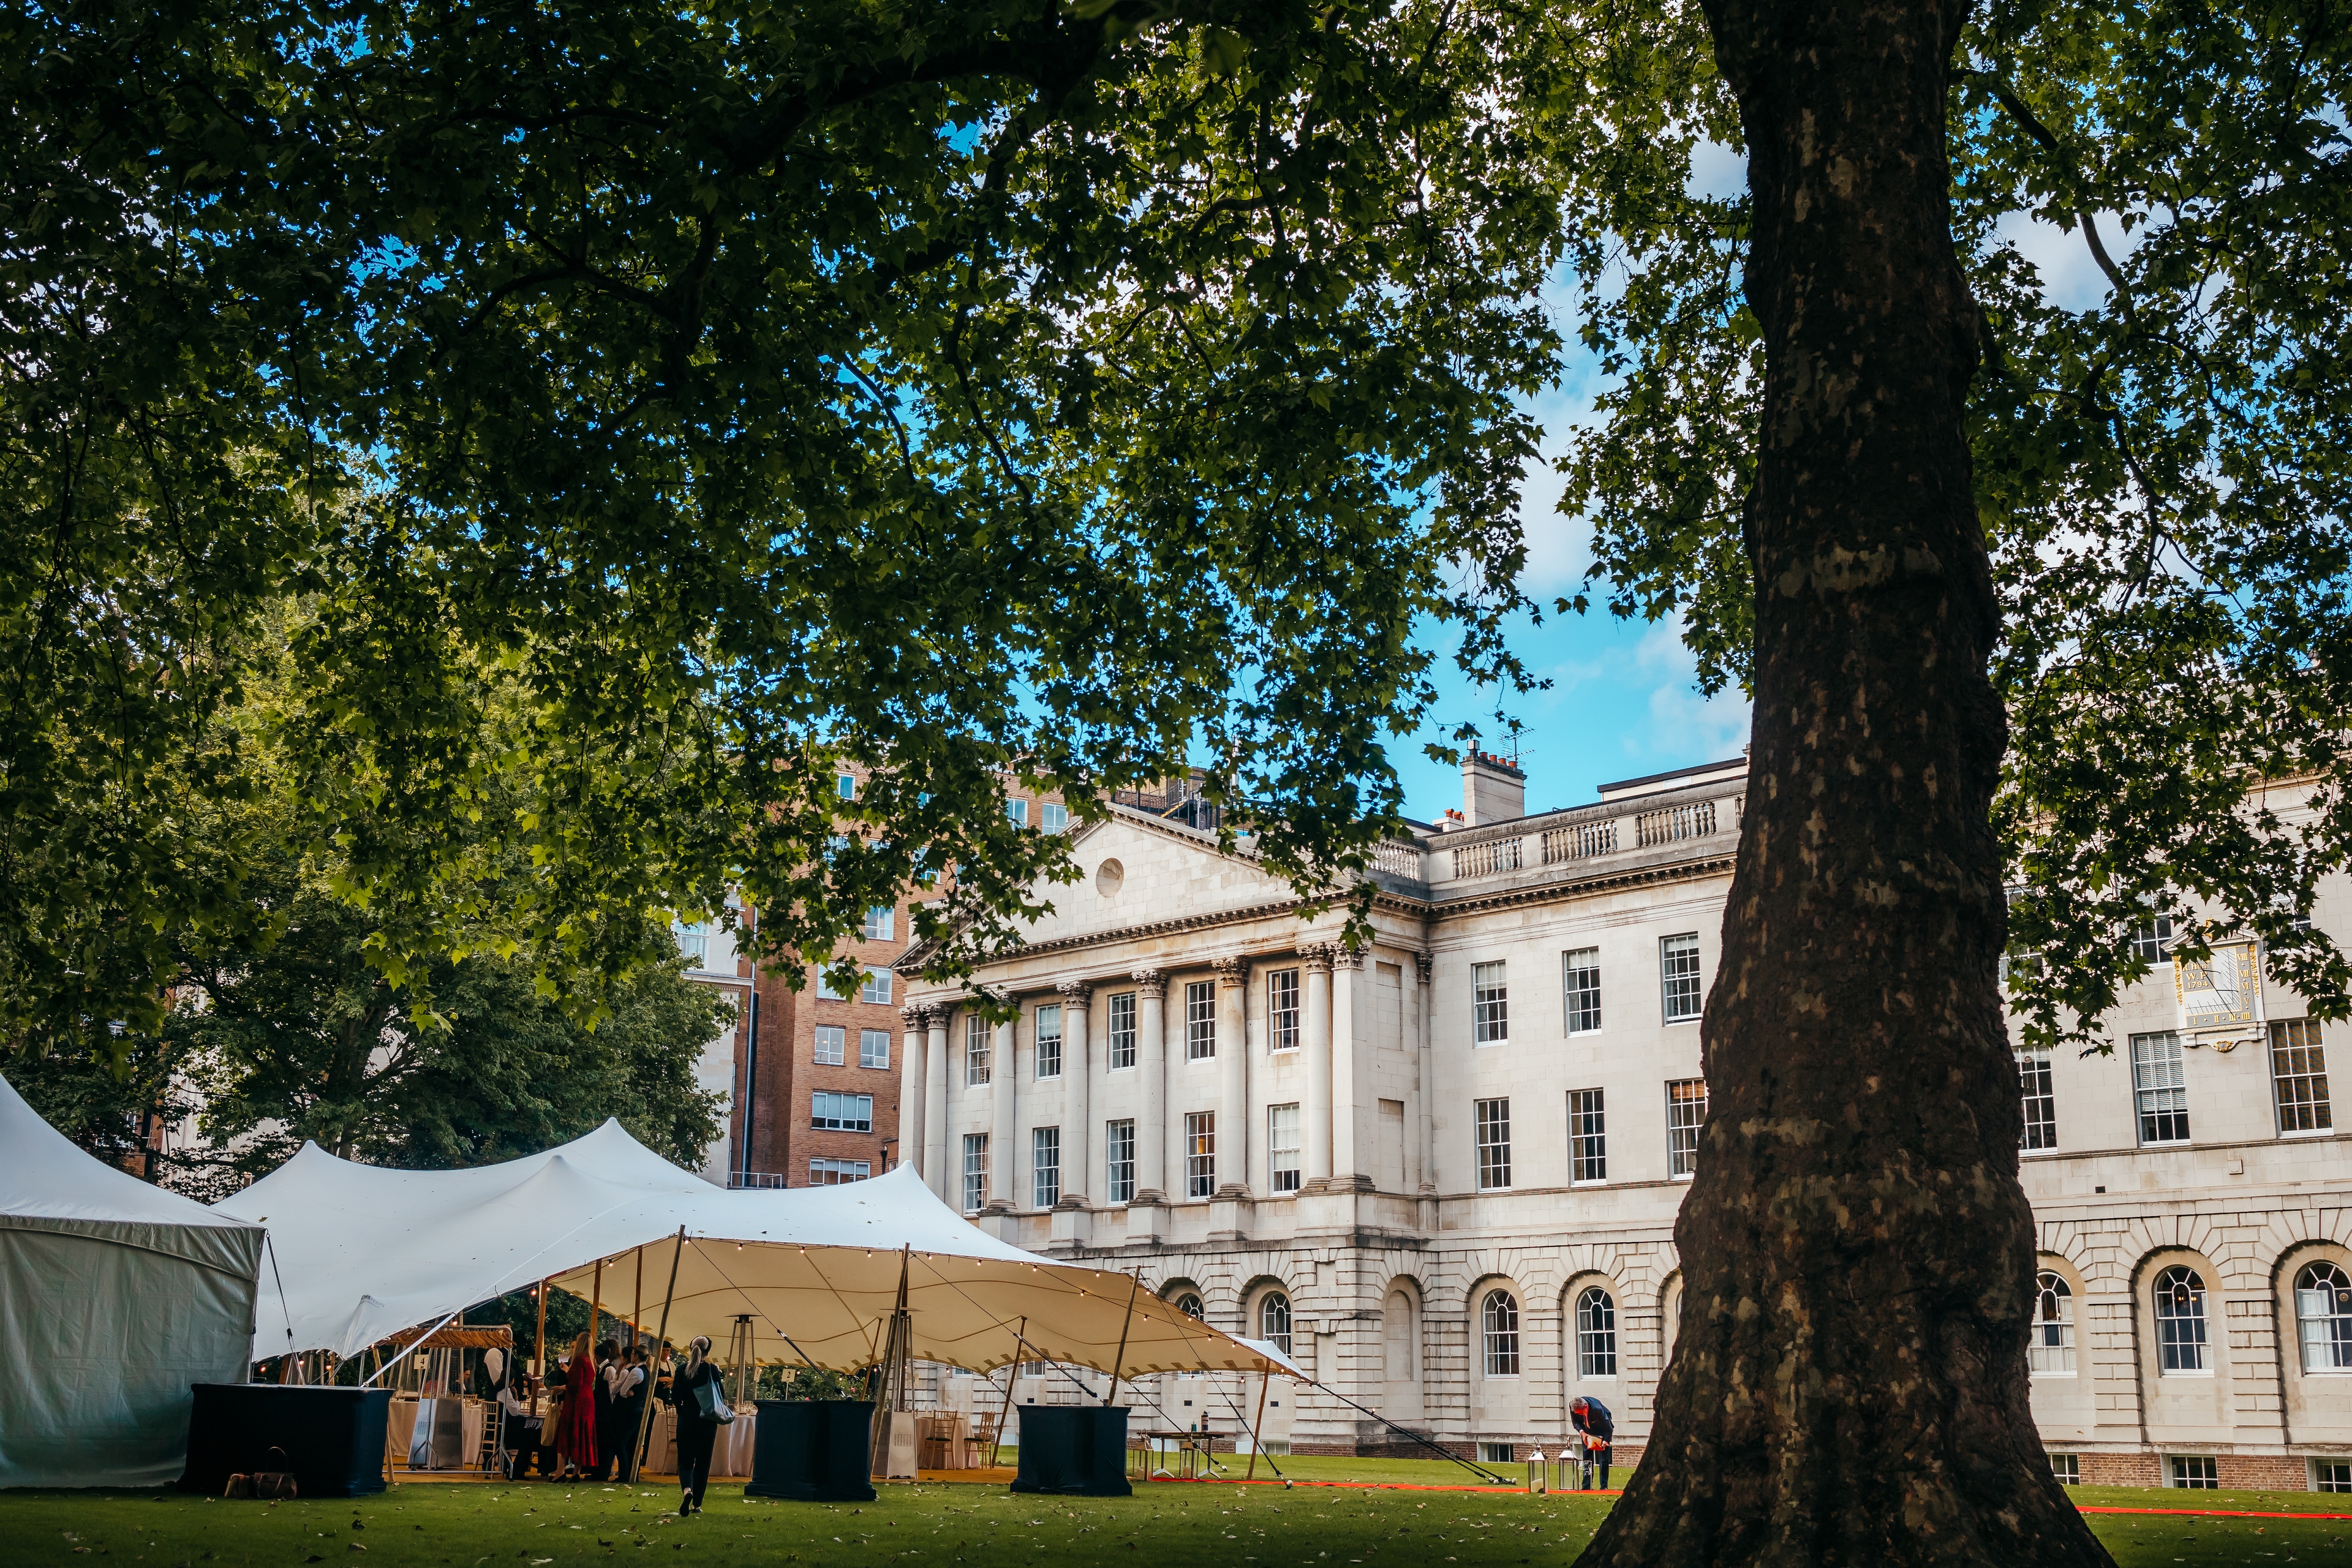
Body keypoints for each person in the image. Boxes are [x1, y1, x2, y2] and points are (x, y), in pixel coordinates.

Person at [668, 1336, 725, 1516]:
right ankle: (697, 1505)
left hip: (687, 1419)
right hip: (707, 1421)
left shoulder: (682, 1369)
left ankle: (687, 1490)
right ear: (707, 1352)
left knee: (685, 1461)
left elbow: (675, 1395)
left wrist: (681, 1409)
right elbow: (721, 1395)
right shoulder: (711, 1370)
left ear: (690, 1349)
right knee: (703, 1462)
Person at [554, 1333, 600, 1480]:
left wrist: (561, 1388)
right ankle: (577, 1472)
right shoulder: (591, 1360)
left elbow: (575, 1384)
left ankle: (560, 1472)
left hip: (576, 1402)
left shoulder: (579, 1360)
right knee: (583, 1435)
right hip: (588, 1400)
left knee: (566, 1433)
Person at [1568, 1395, 1615, 1491]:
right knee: (1587, 1460)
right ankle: (1586, 1486)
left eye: (1580, 1413)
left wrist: (1605, 1442)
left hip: (1601, 1431)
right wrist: (1583, 1433)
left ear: (1585, 1407)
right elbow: (1575, 1422)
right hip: (1586, 1433)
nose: (1579, 1415)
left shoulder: (1597, 1409)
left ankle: (1604, 1486)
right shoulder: (1573, 1406)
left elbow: (1609, 1428)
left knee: (1604, 1460)